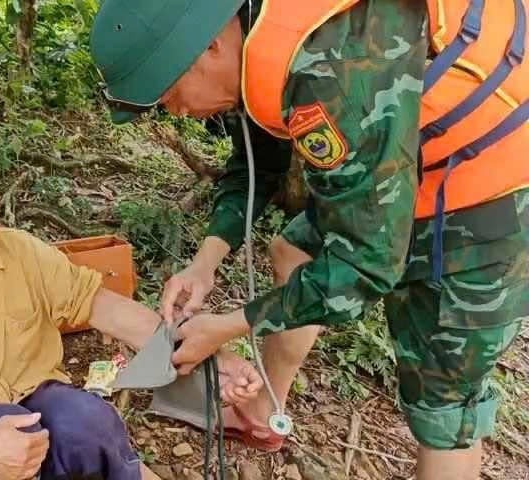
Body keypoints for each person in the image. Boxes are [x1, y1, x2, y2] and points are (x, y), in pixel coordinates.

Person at [88, 1, 529, 479]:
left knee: (443, 405)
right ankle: (262, 413)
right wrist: (204, 262)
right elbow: (258, 164)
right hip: (392, 166)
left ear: (209, 47)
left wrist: (233, 324)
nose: (178, 112)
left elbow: (367, 267)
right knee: (294, 250)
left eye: (169, 95)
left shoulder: (329, 71)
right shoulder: (251, 34)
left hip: (491, 190)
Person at [0, 125, 265, 480]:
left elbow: (100, 305)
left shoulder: (18, 251)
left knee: (88, 423)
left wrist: (209, 357)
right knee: (9, 450)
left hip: (35, 403)